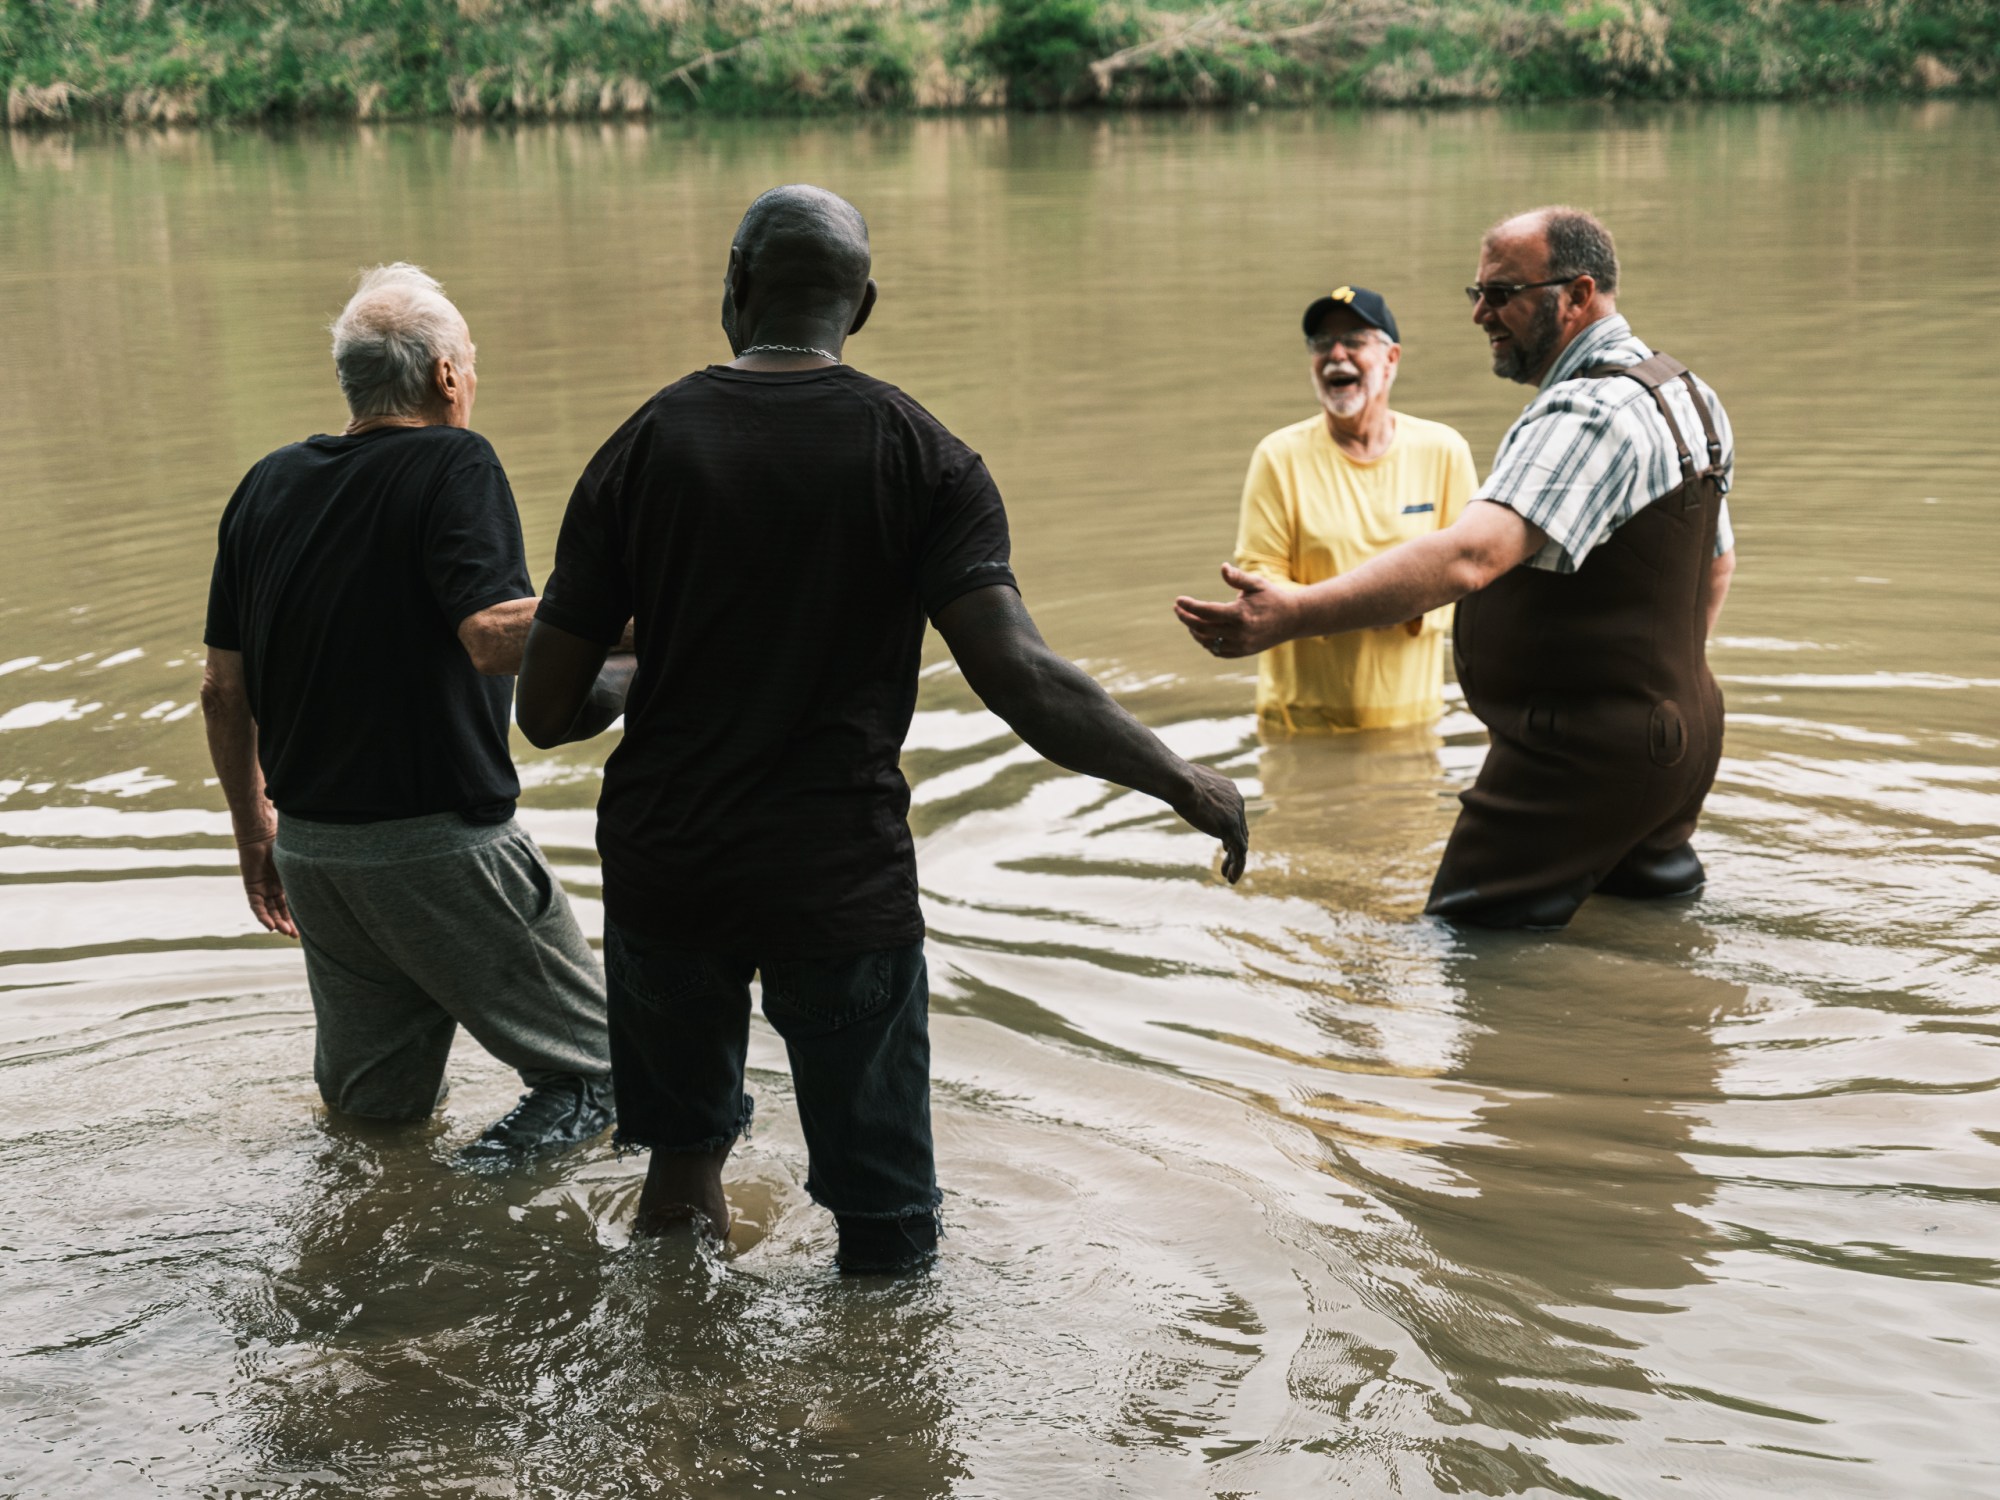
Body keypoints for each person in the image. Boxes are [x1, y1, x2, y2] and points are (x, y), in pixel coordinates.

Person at [517, 184, 1248, 1274]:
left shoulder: (643, 446)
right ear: (861, 306)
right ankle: (879, 1429)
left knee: (678, 1175)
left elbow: (543, 711)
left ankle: (676, 1401)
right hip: (837, 876)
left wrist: (637, 678)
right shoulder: (925, 459)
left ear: (733, 283)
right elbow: (1023, 681)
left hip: (671, 866)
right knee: (888, 1213)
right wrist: (1185, 780)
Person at [1176, 206, 1737, 930]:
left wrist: (1294, 613)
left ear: (1577, 294)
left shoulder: (1585, 412)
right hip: (1682, 733)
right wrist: (1662, 696)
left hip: (1577, 753)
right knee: (1647, 921)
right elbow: (1716, 568)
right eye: (1475, 292)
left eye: (1501, 293)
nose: (1480, 313)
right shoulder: (1686, 392)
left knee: (1464, 946)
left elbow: (1472, 556)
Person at [200, 263, 623, 1159]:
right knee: (609, 1079)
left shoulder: (264, 485)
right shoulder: (455, 458)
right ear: (445, 376)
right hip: (439, 851)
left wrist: (257, 835)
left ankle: (374, 1255)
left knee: (375, 1122)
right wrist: (655, 615)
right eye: (472, 361)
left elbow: (222, 691)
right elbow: (492, 636)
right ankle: (466, 1223)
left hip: (316, 853)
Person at [1232, 285, 1478, 732]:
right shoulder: (1278, 456)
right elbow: (1260, 573)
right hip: (1299, 723)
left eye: (1355, 340)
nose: (1336, 354)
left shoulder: (1443, 451)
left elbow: (1471, 573)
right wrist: (1369, 603)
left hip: (1413, 723)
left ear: (1391, 359)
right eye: (1322, 344)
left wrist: (1396, 603)